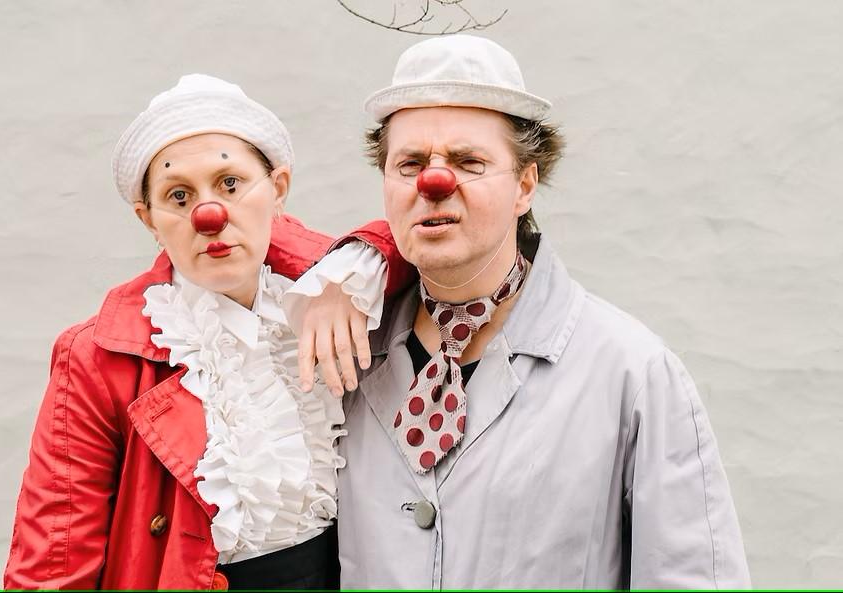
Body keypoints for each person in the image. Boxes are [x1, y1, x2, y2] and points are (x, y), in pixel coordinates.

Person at [294, 34, 751, 589]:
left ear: (525, 185)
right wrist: (349, 263)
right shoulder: (343, 355)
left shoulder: (633, 374)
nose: (434, 184)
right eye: (410, 163)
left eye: (469, 161)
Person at [2, 74, 412, 590]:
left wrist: (364, 260)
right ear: (148, 219)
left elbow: (423, 246)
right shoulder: (94, 359)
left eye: (230, 184)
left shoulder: (336, 291)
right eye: (178, 195)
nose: (209, 215)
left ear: (278, 188)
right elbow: (53, 567)